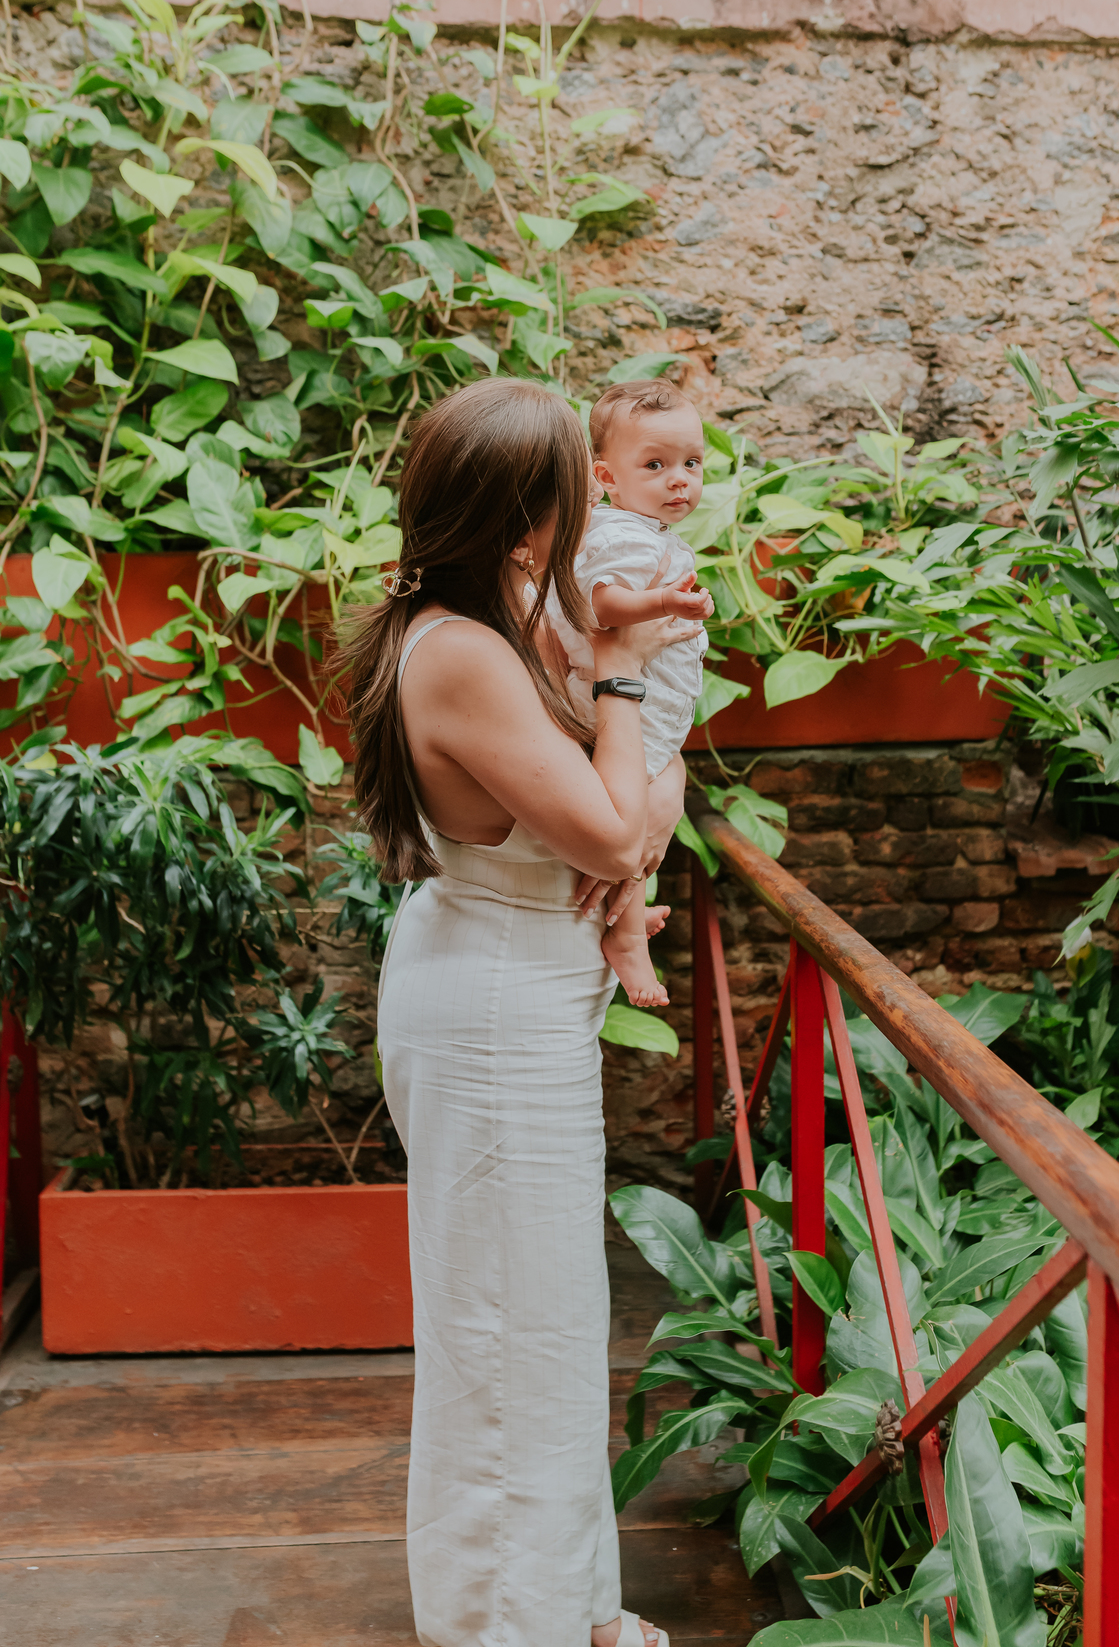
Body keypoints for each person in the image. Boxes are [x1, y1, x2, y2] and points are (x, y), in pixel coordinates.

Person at [340, 378, 699, 1647]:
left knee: (544, 1321)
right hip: (488, 1010)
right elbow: (613, 820)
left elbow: (641, 814)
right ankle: (509, 1626)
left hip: (518, 990)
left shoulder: (500, 619)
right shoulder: (463, 653)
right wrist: (618, 681)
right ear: (527, 519)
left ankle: (564, 1607)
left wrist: (625, 747)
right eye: (569, 486)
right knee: (503, 1330)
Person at [547, 380, 714, 1009]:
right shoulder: (619, 534)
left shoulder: (647, 532)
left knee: (645, 808)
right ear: (605, 476)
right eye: (656, 465)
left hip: (649, 706)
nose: (680, 480)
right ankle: (626, 938)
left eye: (691, 464)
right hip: (620, 703)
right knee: (631, 809)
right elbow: (605, 605)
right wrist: (668, 600)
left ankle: (623, 912)